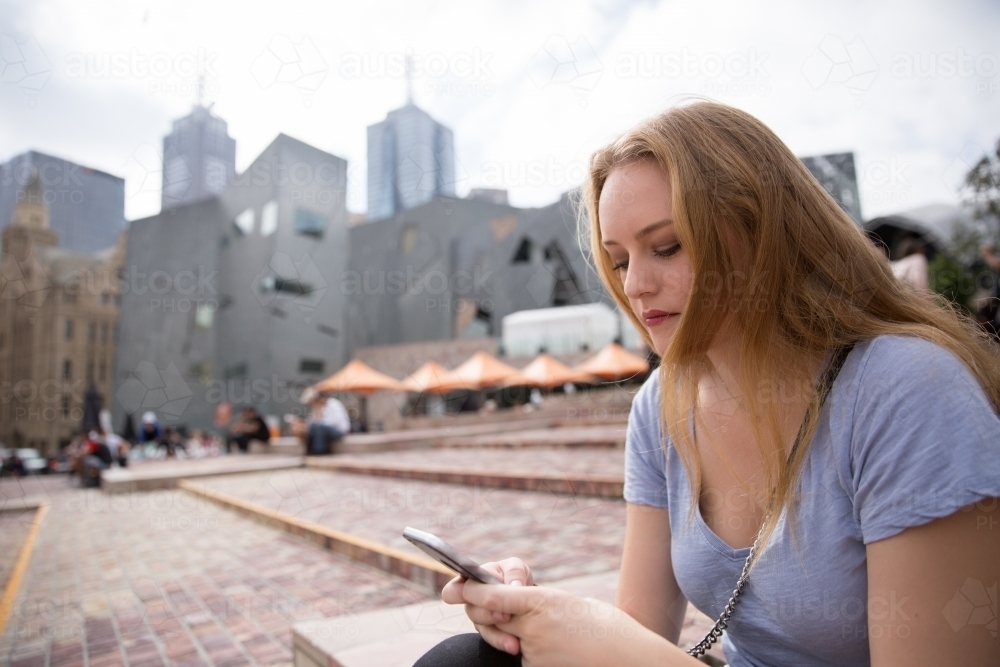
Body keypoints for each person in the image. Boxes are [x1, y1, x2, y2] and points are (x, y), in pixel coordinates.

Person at [416, 102, 1000, 666]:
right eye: (619, 261)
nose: (636, 285)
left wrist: (609, 646)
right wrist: (546, 622)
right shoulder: (661, 406)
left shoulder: (907, 390)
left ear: (766, 235)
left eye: (667, 247)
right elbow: (641, 632)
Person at [301, 390, 350, 455]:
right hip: (325, 429)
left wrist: (319, 418)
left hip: (339, 431)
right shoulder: (319, 407)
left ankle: (319, 451)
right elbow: (311, 422)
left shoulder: (334, 404)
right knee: (311, 427)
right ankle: (310, 450)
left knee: (319, 427)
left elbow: (333, 422)